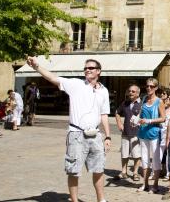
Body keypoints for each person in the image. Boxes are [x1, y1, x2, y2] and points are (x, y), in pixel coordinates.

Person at [26, 56, 111, 202]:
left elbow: (104, 114)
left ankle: (101, 199)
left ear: (98, 71)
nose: (87, 70)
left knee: (99, 169)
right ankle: (74, 200)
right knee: (74, 170)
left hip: (95, 134)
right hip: (77, 133)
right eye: (85, 68)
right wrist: (36, 66)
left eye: (90, 68)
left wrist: (108, 136)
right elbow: (53, 78)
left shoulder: (103, 91)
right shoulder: (76, 84)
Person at [137, 78, 166, 193]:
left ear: (156, 88)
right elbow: (140, 115)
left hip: (154, 134)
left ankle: (155, 185)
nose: (149, 88)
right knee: (144, 159)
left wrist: (148, 121)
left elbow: (163, 118)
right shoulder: (144, 99)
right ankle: (145, 184)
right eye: (147, 86)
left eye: (152, 86)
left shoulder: (159, 101)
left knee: (155, 160)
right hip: (143, 133)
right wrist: (136, 121)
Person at [114, 85, 142, 181]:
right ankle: (124, 172)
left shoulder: (142, 104)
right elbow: (117, 112)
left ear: (138, 93)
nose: (130, 93)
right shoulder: (125, 103)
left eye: (133, 91)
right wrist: (119, 123)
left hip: (137, 134)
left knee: (136, 154)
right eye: (129, 91)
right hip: (125, 132)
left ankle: (135, 173)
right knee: (124, 153)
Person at [159, 89, 170, 180]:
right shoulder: (161, 106)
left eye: (164, 94)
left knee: (168, 154)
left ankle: (169, 173)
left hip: (168, 134)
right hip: (160, 133)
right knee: (160, 153)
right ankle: (159, 171)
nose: (162, 95)